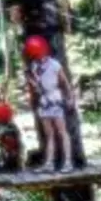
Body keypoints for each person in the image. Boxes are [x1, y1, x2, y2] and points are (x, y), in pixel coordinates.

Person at [22, 35, 76, 172]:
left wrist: (70, 98)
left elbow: (65, 83)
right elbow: (37, 87)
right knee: (49, 134)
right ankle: (49, 163)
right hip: (44, 101)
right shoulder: (34, 66)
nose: (35, 56)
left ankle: (68, 163)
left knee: (62, 132)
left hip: (55, 99)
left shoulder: (54, 65)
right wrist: (32, 83)